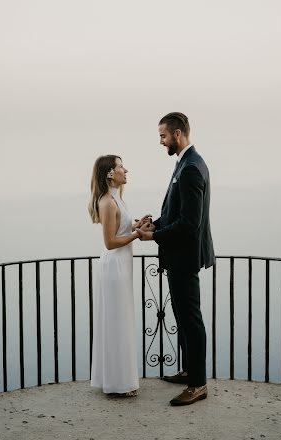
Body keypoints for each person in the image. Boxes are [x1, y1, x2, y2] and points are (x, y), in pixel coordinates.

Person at [136, 112, 215, 406]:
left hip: (184, 258)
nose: (161, 141)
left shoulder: (191, 167)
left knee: (191, 320)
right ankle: (189, 371)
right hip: (180, 255)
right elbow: (175, 213)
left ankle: (198, 385)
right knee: (182, 317)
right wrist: (154, 224)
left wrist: (153, 237)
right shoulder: (186, 162)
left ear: (178, 134)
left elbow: (189, 223)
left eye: (163, 136)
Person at [88, 154, 151, 397]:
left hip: (122, 266)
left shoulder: (117, 199)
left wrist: (135, 225)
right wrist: (137, 235)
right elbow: (110, 242)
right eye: (121, 166)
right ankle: (118, 383)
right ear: (110, 174)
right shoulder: (107, 202)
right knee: (116, 323)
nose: (126, 170)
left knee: (120, 321)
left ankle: (116, 379)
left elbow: (120, 228)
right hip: (114, 266)